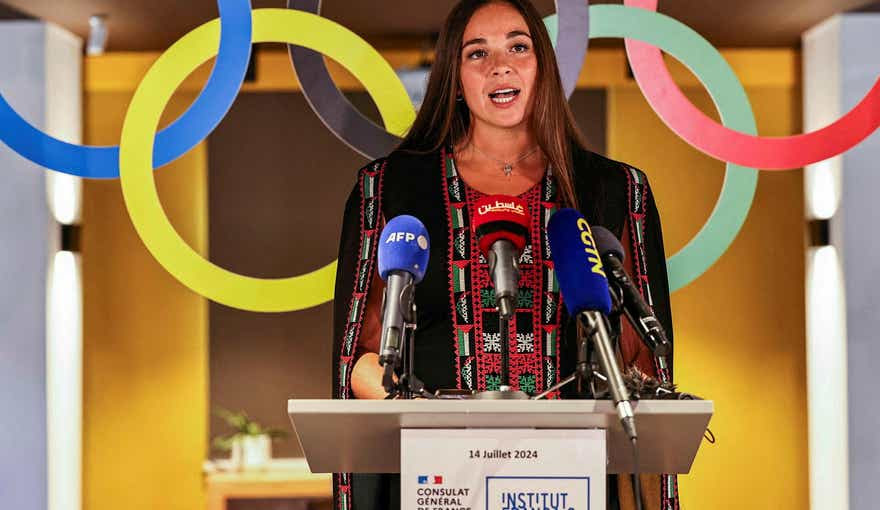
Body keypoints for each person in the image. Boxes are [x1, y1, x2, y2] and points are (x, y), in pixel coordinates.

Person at [331, 1, 678, 509]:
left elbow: (641, 366)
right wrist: (438, 417)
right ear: (453, 76)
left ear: (543, 67)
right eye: (478, 53)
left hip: (575, 480)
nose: (501, 66)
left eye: (519, 47)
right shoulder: (390, 189)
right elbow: (360, 360)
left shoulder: (612, 191)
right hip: (435, 482)